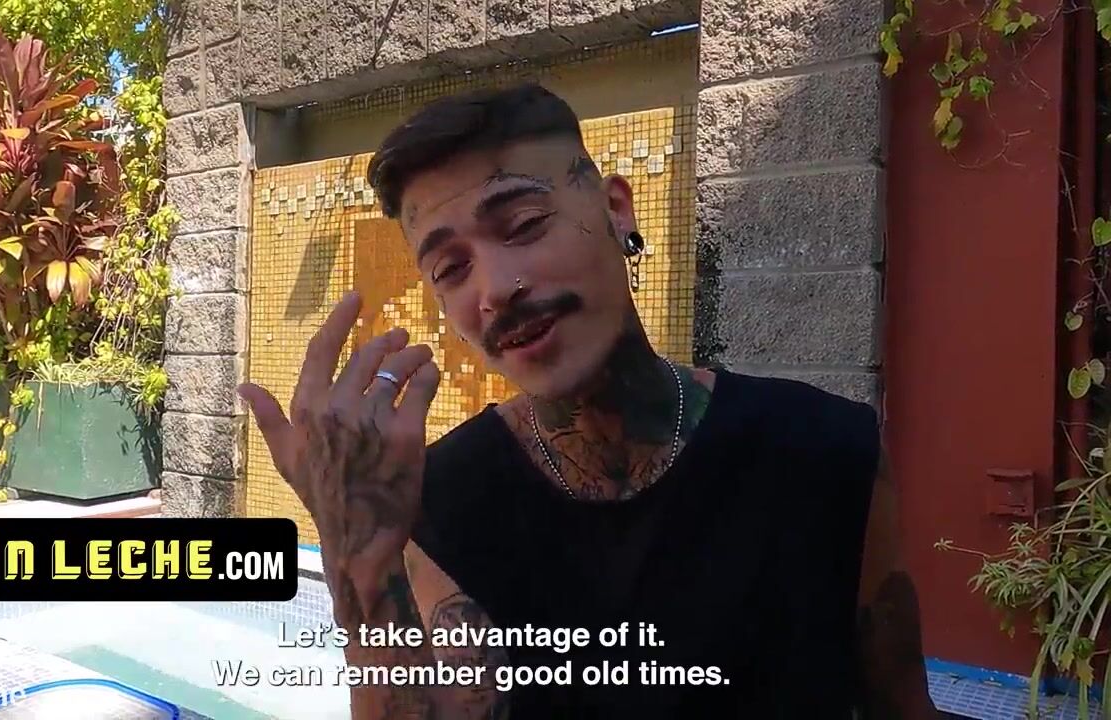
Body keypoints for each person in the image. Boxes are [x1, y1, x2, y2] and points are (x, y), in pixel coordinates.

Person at [238, 83, 940, 719]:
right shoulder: (443, 499)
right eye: (451, 268)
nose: (495, 289)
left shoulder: (823, 451)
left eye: (523, 225)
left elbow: (901, 705)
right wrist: (359, 557)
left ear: (615, 211)